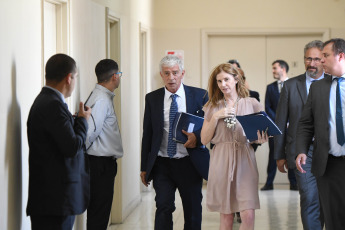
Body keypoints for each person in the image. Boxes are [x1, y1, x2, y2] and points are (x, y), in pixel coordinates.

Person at [140, 55, 209, 230]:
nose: (171, 77)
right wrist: (144, 166)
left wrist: (198, 137)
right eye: (167, 73)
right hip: (162, 163)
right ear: (161, 75)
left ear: (182, 73)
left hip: (189, 163)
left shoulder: (200, 96)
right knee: (163, 207)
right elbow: (147, 134)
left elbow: (210, 126)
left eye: (175, 73)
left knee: (192, 210)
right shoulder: (152, 98)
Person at [26, 54, 91, 230]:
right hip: (55, 201)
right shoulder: (53, 105)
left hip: (51, 200)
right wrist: (83, 121)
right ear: (69, 78)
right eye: (75, 77)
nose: (75, 81)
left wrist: (76, 121)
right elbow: (72, 147)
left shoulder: (47, 101)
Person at [201, 63, 268, 230]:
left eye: (226, 79)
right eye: (219, 81)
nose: (223, 84)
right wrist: (216, 116)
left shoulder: (252, 103)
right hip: (221, 159)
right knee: (226, 216)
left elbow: (261, 132)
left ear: (236, 79)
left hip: (245, 158)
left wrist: (260, 139)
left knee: (248, 214)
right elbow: (203, 139)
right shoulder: (212, 106)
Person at [274, 40, 325, 230]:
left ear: (324, 60)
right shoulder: (290, 86)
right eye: (308, 59)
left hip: (330, 151)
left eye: (317, 59)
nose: (312, 63)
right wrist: (279, 155)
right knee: (309, 196)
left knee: (326, 200)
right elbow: (280, 122)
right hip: (301, 152)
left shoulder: (333, 83)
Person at [296, 38, 345, 230]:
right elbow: (306, 123)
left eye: (325, 55)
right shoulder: (318, 88)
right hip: (329, 164)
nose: (321, 60)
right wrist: (301, 150)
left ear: (340, 56)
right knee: (333, 219)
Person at [85, 59, 124, 230]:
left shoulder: (101, 96)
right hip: (99, 164)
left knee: (99, 212)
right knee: (99, 213)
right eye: (120, 74)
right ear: (115, 76)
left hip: (99, 164)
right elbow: (89, 133)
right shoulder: (101, 99)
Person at [261, 60, 297, 191]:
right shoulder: (270, 87)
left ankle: (294, 183)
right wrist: (279, 122)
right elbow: (268, 107)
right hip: (275, 128)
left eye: (275, 68)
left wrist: (288, 122)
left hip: (291, 128)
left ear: (283, 69)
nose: (273, 71)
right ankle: (269, 183)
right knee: (273, 155)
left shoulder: (294, 84)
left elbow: (296, 107)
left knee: (291, 155)